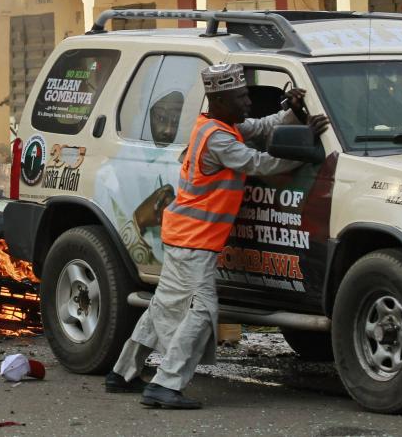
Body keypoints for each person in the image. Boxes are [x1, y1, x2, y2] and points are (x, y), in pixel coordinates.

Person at [104, 63, 330, 409]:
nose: (248, 103)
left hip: (185, 236)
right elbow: (259, 163)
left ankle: (123, 373)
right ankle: (166, 384)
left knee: (164, 307)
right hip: (194, 240)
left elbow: (262, 126)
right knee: (202, 311)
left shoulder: (219, 125)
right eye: (241, 97)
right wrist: (309, 147)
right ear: (221, 100)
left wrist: (291, 112)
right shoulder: (219, 138)